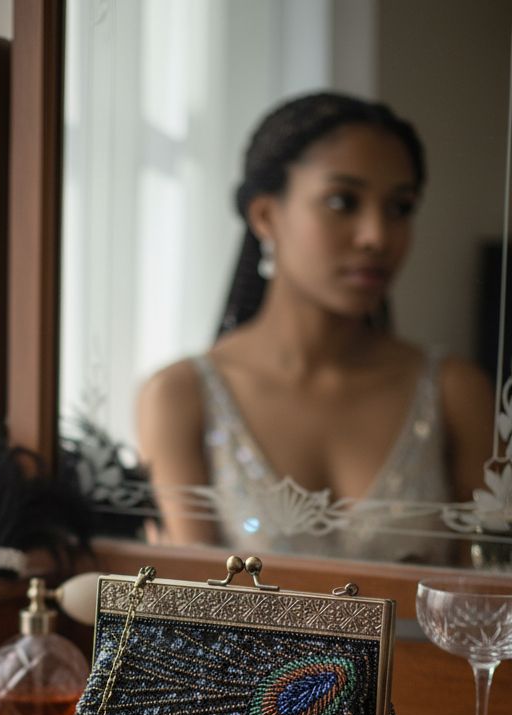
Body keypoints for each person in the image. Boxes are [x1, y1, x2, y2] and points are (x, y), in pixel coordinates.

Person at [136, 91, 495, 560]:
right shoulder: (181, 396)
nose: (377, 236)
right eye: (343, 201)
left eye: (400, 208)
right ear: (266, 216)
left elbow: (489, 595)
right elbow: (192, 603)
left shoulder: (454, 392)